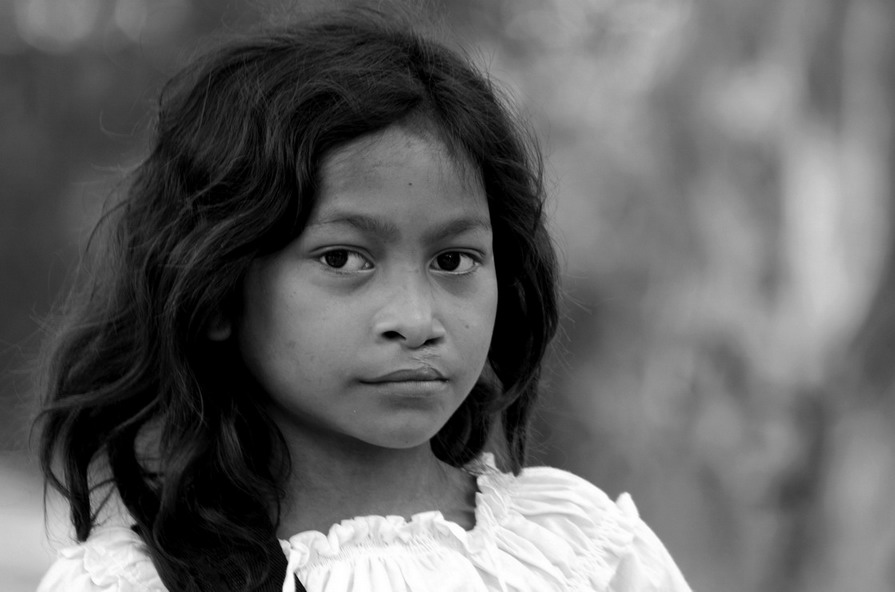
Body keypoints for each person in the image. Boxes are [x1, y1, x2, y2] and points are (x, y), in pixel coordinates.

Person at [34, 10, 693, 592]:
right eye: (343, 259)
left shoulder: (583, 556)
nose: (415, 320)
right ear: (215, 290)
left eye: (453, 261)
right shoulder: (131, 582)